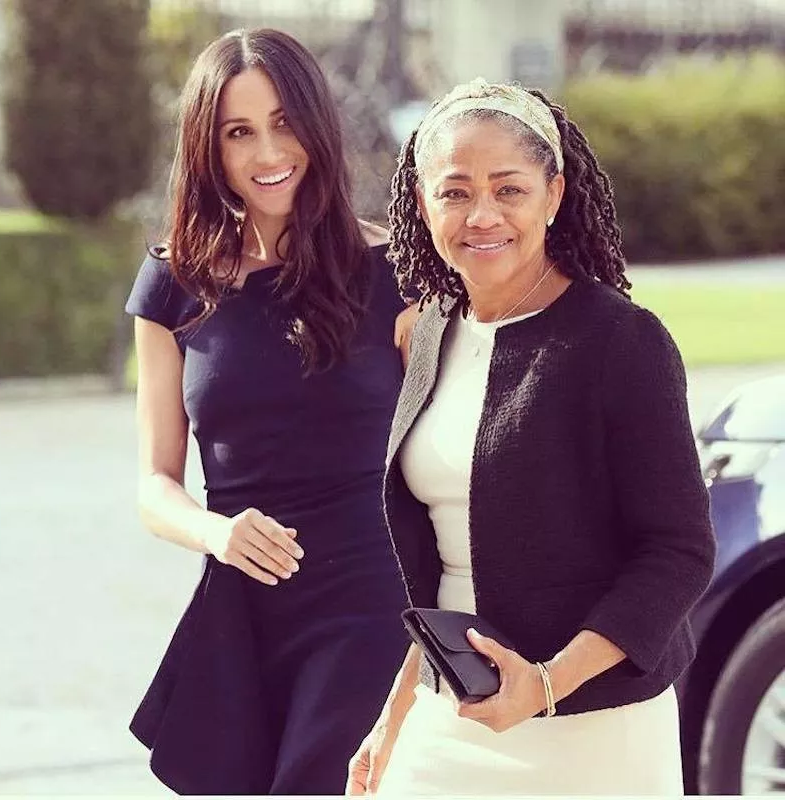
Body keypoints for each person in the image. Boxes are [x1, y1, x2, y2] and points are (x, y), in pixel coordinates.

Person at [347, 77, 716, 796]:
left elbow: (678, 552)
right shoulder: (430, 333)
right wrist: (394, 716)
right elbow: (447, 559)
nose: (481, 214)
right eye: (454, 192)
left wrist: (545, 685)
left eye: (508, 189)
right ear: (422, 206)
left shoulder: (621, 342)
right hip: (450, 714)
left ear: (553, 194)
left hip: (591, 730)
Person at [124, 28, 414, 795]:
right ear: (208, 147)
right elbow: (155, 482)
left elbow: (447, 453)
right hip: (242, 608)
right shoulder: (172, 286)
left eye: (284, 122)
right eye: (238, 132)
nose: (266, 152)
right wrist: (216, 532)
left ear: (315, 124)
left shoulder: (394, 276)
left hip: (371, 604)